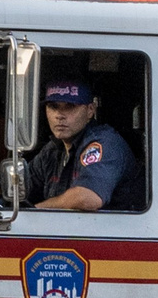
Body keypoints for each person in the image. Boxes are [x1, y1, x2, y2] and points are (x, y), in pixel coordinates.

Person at [24, 79, 136, 211]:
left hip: (111, 230)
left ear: (90, 110)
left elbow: (88, 198)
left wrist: (37, 210)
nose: (59, 115)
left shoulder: (105, 143)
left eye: (70, 106)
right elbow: (21, 188)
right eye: (53, 106)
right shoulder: (52, 151)